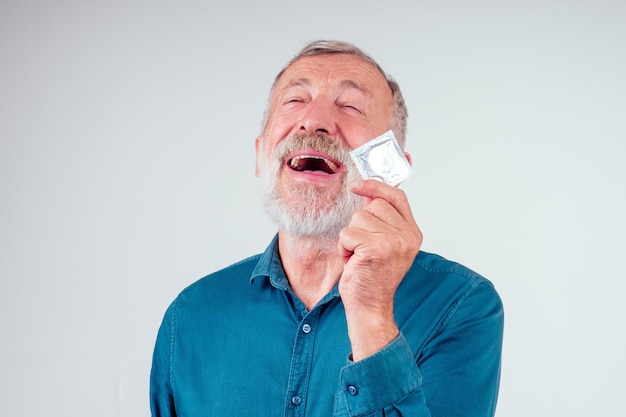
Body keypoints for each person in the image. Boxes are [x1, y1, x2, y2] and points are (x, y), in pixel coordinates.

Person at [150, 40, 504, 417]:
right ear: (260, 153)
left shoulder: (462, 306)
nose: (313, 120)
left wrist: (371, 313)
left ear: (392, 167)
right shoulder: (191, 316)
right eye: (294, 101)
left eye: (350, 106)